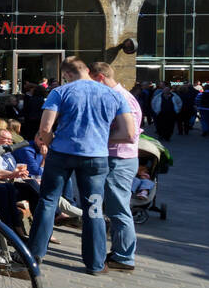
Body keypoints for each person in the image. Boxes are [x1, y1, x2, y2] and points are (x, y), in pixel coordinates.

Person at [26, 57, 136, 275]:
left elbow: (45, 128)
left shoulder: (60, 92)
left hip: (62, 154)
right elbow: (129, 133)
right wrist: (101, 138)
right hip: (96, 157)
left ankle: (35, 256)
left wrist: (50, 142)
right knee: (93, 208)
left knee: (48, 201)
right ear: (87, 69)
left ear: (67, 74)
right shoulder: (114, 94)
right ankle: (95, 263)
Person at [92, 62, 142, 271]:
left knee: (118, 210)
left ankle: (123, 257)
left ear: (100, 78)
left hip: (119, 160)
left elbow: (128, 135)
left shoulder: (122, 98)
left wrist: (97, 139)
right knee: (115, 209)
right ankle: (121, 252)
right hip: (117, 158)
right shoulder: (120, 96)